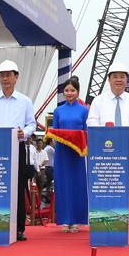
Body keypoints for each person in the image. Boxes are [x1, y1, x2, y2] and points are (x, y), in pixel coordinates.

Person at [0, 60, 37, 241]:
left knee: (17, 187)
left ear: (16, 77)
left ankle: (18, 228)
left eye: (8, 75)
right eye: (2, 75)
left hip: (15, 147)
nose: (5, 79)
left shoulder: (25, 101)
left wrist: (23, 132)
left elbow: (32, 124)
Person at [86, 62, 129, 219]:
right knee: (106, 185)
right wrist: (104, 131)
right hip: (104, 151)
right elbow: (91, 122)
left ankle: (127, 218)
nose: (118, 80)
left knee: (127, 185)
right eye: (115, 77)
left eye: (122, 77)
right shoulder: (99, 100)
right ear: (109, 80)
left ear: (127, 80)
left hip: (127, 149)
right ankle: (105, 215)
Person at [51, 77, 89, 232]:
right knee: (63, 185)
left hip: (78, 153)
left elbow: (87, 132)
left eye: (72, 90)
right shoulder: (58, 110)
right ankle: (65, 220)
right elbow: (54, 132)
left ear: (78, 92)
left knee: (77, 185)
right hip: (62, 153)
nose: (69, 93)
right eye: (66, 90)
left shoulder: (84, 110)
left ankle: (77, 220)